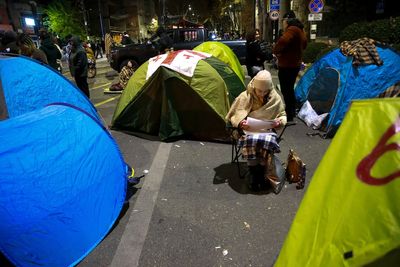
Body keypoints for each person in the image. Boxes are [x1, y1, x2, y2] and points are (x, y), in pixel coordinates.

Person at [226, 70, 287, 193]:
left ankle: (261, 171)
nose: (262, 94)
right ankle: (254, 173)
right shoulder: (245, 96)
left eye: (266, 91)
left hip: (267, 131)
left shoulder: (275, 98)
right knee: (252, 140)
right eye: (259, 91)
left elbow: (283, 115)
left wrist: (280, 122)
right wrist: (240, 122)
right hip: (247, 132)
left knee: (267, 141)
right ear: (254, 86)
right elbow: (233, 115)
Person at [273, 11, 307, 121]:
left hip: (287, 65)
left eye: (283, 21)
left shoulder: (291, 30)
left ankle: (289, 112)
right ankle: (291, 110)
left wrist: (276, 50)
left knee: (286, 89)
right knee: (289, 88)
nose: (282, 23)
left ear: (286, 21)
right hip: (295, 64)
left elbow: (283, 41)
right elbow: (305, 44)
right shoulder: (300, 30)